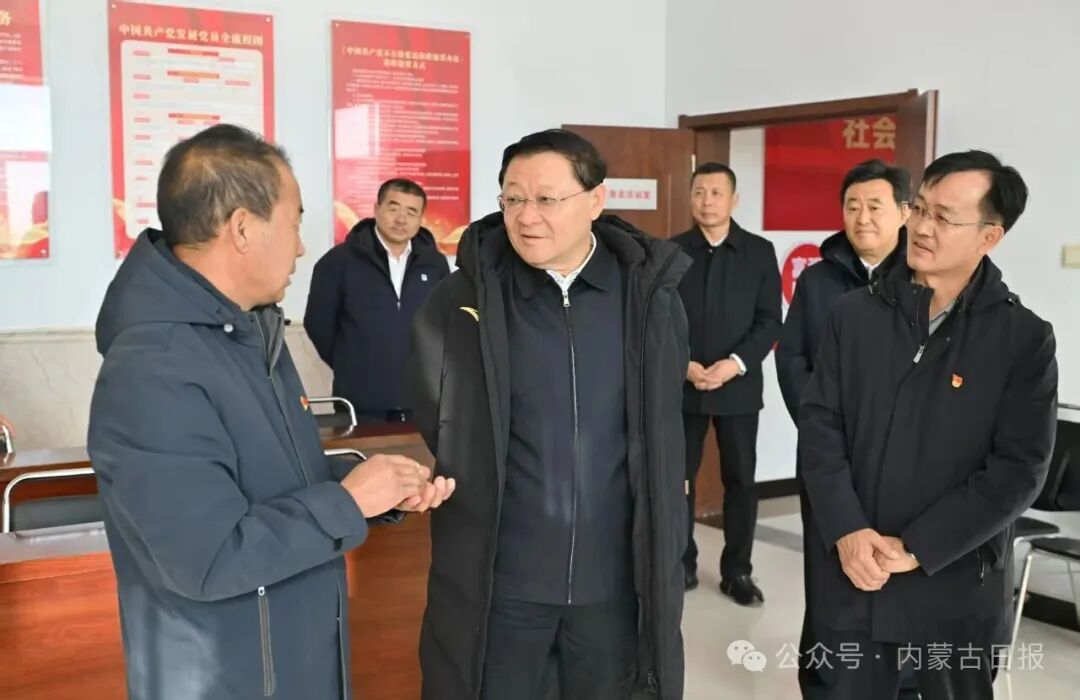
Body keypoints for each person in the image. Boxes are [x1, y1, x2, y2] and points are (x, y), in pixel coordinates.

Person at [88, 124, 454, 700]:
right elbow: (206, 558)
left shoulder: (251, 336)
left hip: (293, 660)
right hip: (227, 679)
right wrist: (347, 503)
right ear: (242, 228)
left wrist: (375, 488)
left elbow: (275, 482)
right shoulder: (153, 367)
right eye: (295, 224)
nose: (301, 248)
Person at [407, 129, 691, 699]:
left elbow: (662, 417)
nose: (526, 216)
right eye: (512, 199)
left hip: (615, 581)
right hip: (503, 582)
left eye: (546, 199)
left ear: (596, 200)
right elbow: (436, 411)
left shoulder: (647, 299)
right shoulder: (465, 300)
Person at [799, 150, 1058, 699]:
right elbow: (820, 428)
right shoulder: (853, 315)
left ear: (989, 236)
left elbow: (1018, 470)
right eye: (919, 209)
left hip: (954, 583)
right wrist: (846, 529)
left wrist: (919, 546)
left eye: (944, 217)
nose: (921, 227)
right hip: (856, 574)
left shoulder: (1021, 338)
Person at [774, 158, 910, 697]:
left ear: (905, 212)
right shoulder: (819, 279)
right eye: (852, 206)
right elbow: (792, 359)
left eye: (875, 206)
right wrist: (823, 427)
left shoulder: (924, 277)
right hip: (827, 459)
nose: (862, 217)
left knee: (891, 571)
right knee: (828, 574)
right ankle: (826, 680)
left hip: (900, 463)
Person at [671, 162, 782, 602]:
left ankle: (738, 571)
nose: (707, 201)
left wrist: (734, 364)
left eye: (717, 193)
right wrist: (683, 364)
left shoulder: (758, 252)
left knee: (741, 482)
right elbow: (659, 318)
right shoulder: (672, 252)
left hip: (737, 387)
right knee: (678, 480)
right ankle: (681, 564)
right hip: (684, 385)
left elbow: (770, 320)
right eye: (699, 192)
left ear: (734, 200)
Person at [305, 178, 451, 423]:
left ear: (420, 219)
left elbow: (444, 324)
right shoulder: (338, 262)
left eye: (411, 212)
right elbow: (318, 325)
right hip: (361, 402)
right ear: (376, 209)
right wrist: (352, 362)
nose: (401, 219)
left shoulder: (435, 264)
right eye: (393, 208)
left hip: (422, 400)